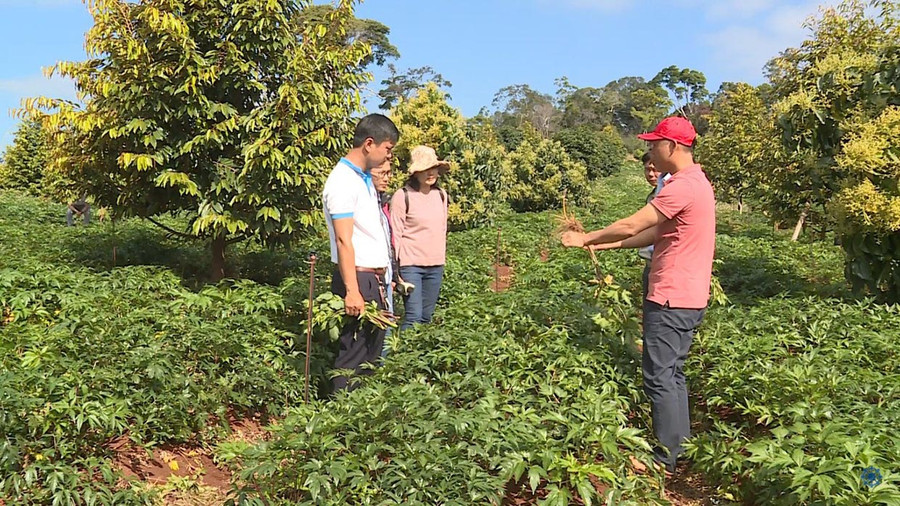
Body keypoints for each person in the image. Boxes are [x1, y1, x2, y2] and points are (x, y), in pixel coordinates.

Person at [562, 117, 715, 475]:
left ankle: (664, 459)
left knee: (659, 376)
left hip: (670, 296)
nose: (648, 151)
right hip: (688, 296)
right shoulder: (698, 183)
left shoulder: (680, 187)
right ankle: (680, 449)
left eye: (653, 144)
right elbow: (653, 235)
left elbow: (635, 223)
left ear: (671, 147)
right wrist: (609, 244)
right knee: (673, 374)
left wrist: (586, 238)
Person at [322, 114, 398, 391]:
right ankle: (341, 422)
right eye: (387, 150)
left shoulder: (362, 179)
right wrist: (352, 291)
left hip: (373, 279)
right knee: (353, 356)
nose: (388, 157)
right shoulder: (342, 182)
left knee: (371, 357)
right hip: (357, 278)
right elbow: (344, 240)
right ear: (369, 144)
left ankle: (362, 421)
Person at [390, 145, 450, 331]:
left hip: (435, 265)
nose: (430, 173)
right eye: (425, 169)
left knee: (426, 316)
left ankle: (418, 356)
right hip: (411, 266)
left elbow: (442, 229)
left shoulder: (441, 195)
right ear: (415, 173)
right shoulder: (403, 196)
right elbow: (395, 234)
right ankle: (401, 356)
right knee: (413, 316)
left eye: (433, 168)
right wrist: (395, 270)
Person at [370, 160, 397, 357]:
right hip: (371, 278)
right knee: (373, 336)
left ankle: (383, 376)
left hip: (386, 277)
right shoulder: (364, 204)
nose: (387, 178)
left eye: (389, 173)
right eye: (382, 173)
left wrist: (394, 275)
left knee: (386, 333)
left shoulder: (383, 203)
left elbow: (388, 242)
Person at [636, 152, 671, 300]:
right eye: (647, 169)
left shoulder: (671, 194)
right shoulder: (653, 195)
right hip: (651, 264)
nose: (651, 174)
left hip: (665, 268)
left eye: (655, 169)